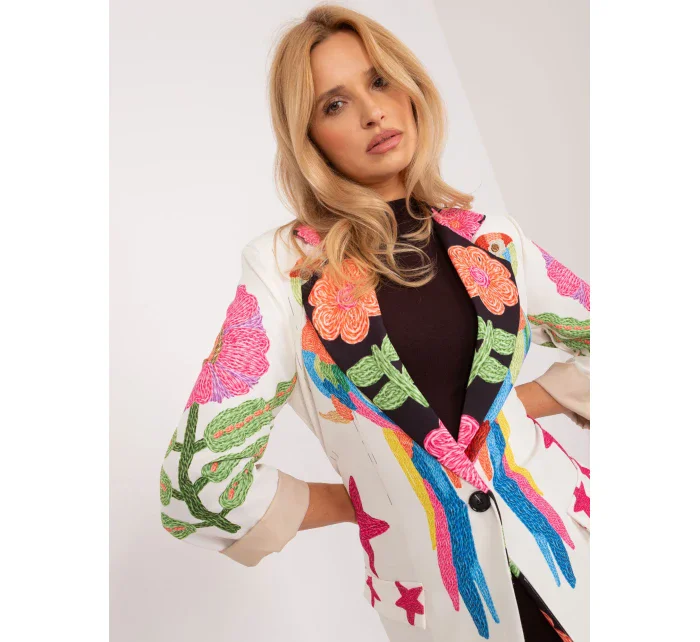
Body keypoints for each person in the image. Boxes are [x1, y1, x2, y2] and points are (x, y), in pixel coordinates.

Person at [158, 5, 590, 641]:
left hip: (580, 563)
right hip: (447, 609)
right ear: (309, 138)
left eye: (380, 81)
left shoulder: (493, 241)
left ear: (411, 88)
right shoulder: (284, 272)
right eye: (334, 104)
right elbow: (194, 485)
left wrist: (515, 406)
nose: (372, 112)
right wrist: (361, 501)